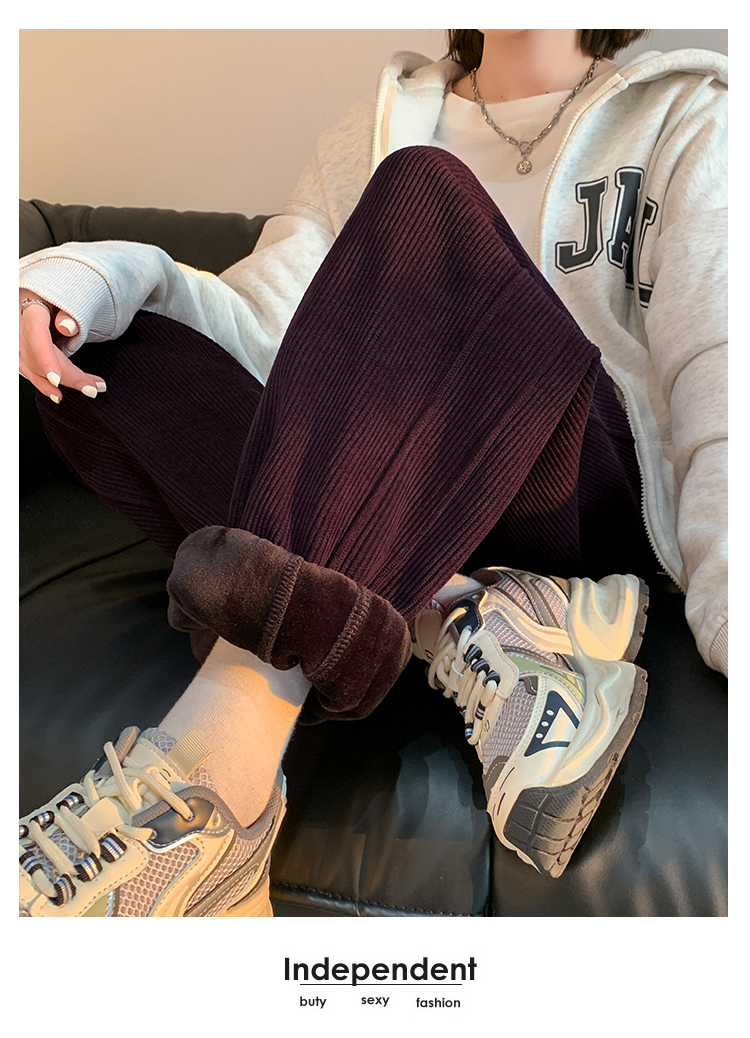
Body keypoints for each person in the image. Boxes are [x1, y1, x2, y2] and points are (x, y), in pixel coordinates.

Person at [18, 29, 727, 917]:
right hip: (391, 497)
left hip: (576, 488)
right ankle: (470, 614)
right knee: (98, 361)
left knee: (424, 195)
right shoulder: (377, 125)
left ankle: (212, 790)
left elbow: (720, 364)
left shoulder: (686, 113)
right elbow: (264, 324)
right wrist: (89, 276)